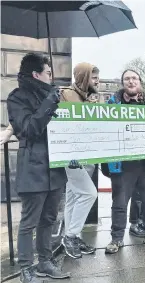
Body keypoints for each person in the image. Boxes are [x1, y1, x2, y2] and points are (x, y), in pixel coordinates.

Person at [7, 53, 70, 283]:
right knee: (29, 222)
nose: (51, 76)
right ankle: (26, 269)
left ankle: (45, 261)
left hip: (54, 167)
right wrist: (49, 103)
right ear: (36, 74)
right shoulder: (17, 98)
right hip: (33, 167)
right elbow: (29, 129)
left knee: (49, 219)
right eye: (48, 72)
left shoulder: (50, 96)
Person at [104, 69, 145, 254]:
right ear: (122, 82)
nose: (131, 81)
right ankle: (116, 239)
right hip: (123, 165)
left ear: (139, 81)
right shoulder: (112, 105)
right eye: (127, 79)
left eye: (134, 78)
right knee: (119, 203)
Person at [59, 63, 100, 259]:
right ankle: (71, 236)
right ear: (83, 77)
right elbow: (67, 122)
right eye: (93, 77)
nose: (97, 81)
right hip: (71, 155)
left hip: (87, 154)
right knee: (89, 194)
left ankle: (70, 236)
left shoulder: (92, 97)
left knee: (74, 196)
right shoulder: (66, 94)